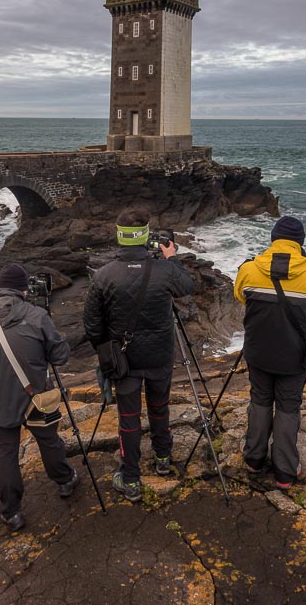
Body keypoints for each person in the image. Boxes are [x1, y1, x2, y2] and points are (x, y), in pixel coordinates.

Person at [83, 208, 194, 502]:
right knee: (160, 408)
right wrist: (171, 256)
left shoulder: (104, 275)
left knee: (129, 418)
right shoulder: (165, 269)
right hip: (159, 357)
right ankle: (162, 459)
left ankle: (130, 478)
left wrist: (105, 349)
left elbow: (92, 324)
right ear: (146, 237)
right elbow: (187, 286)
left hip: (124, 360)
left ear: (120, 238)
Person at [0, 263, 79, 531]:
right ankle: (64, 481)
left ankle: (11, 512)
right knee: (49, 441)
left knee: (6, 455)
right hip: (36, 395)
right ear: (24, 289)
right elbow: (60, 356)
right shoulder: (36, 315)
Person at [234, 216, 306, 489]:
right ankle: (285, 472)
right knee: (289, 408)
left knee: (260, 402)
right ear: (300, 243)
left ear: (272, 239)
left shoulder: (249, 269)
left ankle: (253, 459)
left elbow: (240, 294)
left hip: (258, 352)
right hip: (296, 357)